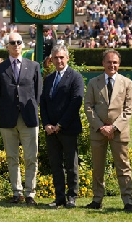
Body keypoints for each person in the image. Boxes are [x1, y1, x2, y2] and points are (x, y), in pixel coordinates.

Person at [0, 32, 42, 205]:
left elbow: (38, 93)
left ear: (23, 45)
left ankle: (30, 193)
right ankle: (17, 192)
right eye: (12, 42)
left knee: (31, 157)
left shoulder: (34, 66)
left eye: (18, 42)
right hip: (8, 119)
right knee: (12, 157)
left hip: (28, 117)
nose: (15, 45)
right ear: (7, 46)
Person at [83, 49, 132, 212]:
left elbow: (128, 109)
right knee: (98, 168)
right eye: (109, 62)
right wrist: (101, 127)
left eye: (115, 62)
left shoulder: (127, 83)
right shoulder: (93, 82)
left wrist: (113, 127)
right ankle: (97, 199)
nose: (112, 65)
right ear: (103, 63)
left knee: (123, 167)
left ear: (119, 64)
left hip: (119, 132)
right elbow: (88, 106)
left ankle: (128, 201)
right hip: (98, 131)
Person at [39, 44, 84, 209]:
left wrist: (60, 124)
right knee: (56, 164)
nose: (59, 60)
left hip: (68, 128)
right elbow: (43, 103)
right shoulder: (49, 78)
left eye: (61, 57)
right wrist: (46, 124)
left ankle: (72, 197)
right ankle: (59, 198)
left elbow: (76, 102)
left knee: (71, 164)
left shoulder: (75, 77)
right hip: (51, 131)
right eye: (56, 57)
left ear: (67, 58)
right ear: (51, 59)